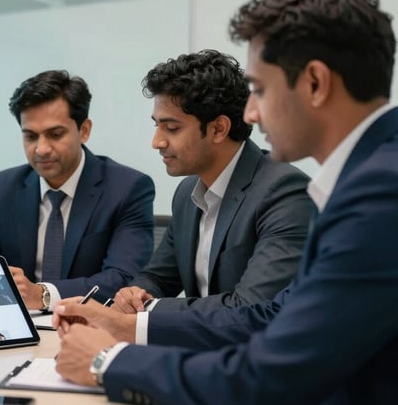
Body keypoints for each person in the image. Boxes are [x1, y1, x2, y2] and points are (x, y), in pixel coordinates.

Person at [53, 0, 398, 404]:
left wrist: (107, 361)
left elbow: (268, 376)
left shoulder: (378, 196)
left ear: (314, 82)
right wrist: (128, 325)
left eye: (260, 89)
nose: (250, 112)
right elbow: (274, 316)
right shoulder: (371, 178)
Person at [112, 50, 312, 314]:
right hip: (202, 346)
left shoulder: (284, 191)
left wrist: (151, 311)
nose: (157, 142)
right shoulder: (187, 193)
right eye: (156, 126)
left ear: (219, 129)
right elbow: (157, 278)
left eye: (171, 128)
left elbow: (251, 308)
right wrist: (134, 295)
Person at [0, 70, 155, 311]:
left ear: (84, 130)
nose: (41, 149)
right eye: (30, 136)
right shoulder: (3, 187)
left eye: (55, 134)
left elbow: (123, 279)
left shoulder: (127, 188)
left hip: (91, 327)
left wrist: (42, 294)